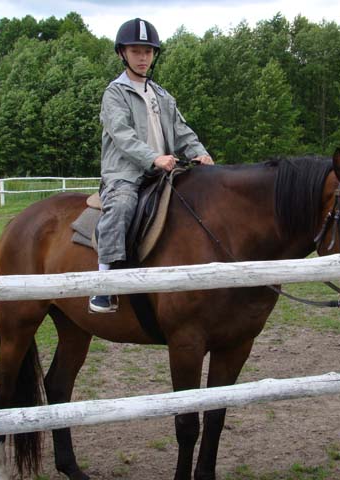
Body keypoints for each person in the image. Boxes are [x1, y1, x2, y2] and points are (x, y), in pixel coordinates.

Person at [90, 18, 213, 314]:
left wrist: (201, 154)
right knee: (121, 206)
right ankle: (103, 285)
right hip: (125, 173)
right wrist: (153, 157)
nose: (143, 57)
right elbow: (123, 136)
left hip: (163, 171)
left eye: (148, 51)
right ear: (122, 53)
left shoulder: (162, 95)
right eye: (136, 51)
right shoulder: (114, 94)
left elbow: (182, 132)